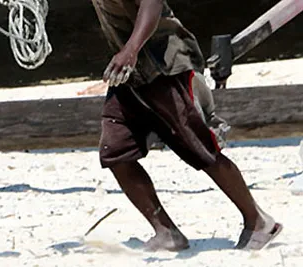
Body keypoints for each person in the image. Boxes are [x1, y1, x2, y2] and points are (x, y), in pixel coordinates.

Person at [91, 0, 282, 251]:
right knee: (115, 151)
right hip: (131, 74)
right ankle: (166, 232)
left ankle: (258, 221)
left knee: (201, 148)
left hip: (166, 64)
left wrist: (131, 49)